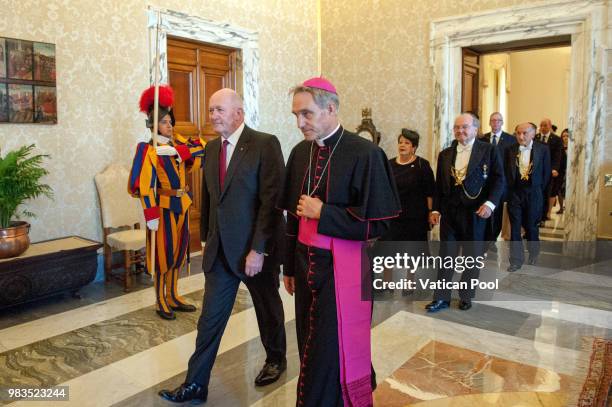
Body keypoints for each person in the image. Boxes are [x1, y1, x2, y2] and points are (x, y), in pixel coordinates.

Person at [159, 88, 287, 404]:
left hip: (255, 250)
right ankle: (196, 383)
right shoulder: (212, 148)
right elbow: (210, 198)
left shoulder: (264, 144)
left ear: (239, 113)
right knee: (210, 319)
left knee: (267, 308)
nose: (213, 116)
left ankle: (276, 359)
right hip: (220, 251)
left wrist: (258, 249)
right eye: (211, 110)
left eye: (219, 110)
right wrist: (205, 239)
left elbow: (272, 201)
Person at [279, 77, 400, 406]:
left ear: (330, 109)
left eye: (306, 114)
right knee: (308, 342)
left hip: (342, 269)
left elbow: (381, 222)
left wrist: (324, 214)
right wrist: (288, 265)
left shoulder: (366, 153)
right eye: (296, 115)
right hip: (305, 264)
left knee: (328, 351)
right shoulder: (300, 152)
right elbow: (293, 216)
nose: (300, 123)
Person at [128, 85, 205, 320]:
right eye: (163, 122)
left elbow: (202, 148)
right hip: (162, 209)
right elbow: (142, 185)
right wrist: (150, 214)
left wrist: (178, 152)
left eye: (170, 121)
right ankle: (160, 299)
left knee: (179, 253)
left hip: (182, 206)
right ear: (152, 125)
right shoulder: (147, 149)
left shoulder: (177, 143)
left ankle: (173, 295)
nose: (169, 125)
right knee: (164, 256)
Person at [427, 113, 505, 312]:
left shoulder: (489, 150)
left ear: (475, 129)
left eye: (465, 127)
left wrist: (490, 204)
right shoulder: (445, 154)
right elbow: (438, 185)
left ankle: (466, 296)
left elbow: (499, 180)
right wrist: (435, 208)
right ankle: (441, 298)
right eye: (457, 127)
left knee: (472, 257)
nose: (460, 131)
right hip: (450, 214)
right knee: (446, 256)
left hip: (476, 213)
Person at [506, 123, 551, 272]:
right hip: (515, 194)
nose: (521, 136)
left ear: (533, 133)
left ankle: (533, 252)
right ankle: (515, 260)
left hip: (534, 193)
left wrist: (539, 192)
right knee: (515, 228)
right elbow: (507, 174)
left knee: (531, 227)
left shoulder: (543, 149)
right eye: (518, 133)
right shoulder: (510, 150)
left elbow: (546, 175)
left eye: (524, 133)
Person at [384, 128, 435, 242]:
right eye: (400, 142)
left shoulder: (422, 165)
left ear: (414, 147)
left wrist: (430, 212)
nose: (402, 145)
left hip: (416, 218)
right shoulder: (389, 164)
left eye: (407, 143)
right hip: (394, 216)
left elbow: (430, 192)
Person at [480, 112, 516, 249]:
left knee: (498, 209)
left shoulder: (510, 139)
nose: (495, 123)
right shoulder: (483, 139)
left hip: (501, 182)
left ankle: (493, 236)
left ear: (502, 123)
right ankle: (485, 236)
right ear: (489, 122)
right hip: (484, 182)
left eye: (498, 121)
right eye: (493, 120)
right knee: (485, 208)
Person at [535, 118, 562, 221]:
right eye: (541, 125)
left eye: (545, 125)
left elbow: (557, 156)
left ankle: (544, 216)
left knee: (546, 194)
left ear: (550, 126)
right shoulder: (535, 138)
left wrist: (555, 168)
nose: (542, 127)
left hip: (548, 172)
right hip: (536, 171)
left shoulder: (556, 139)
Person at [557, 129, 569, 213]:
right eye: (563, 136)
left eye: (567, 136)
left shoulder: (574, 148)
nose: (565, 138)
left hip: (570, 172)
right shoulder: (560, 148)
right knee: (559, 189)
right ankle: (561, 208)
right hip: (561, 171)